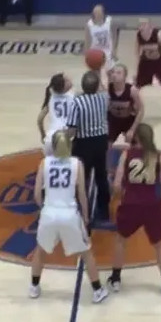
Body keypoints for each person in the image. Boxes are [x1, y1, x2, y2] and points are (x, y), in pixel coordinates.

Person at [28, 131, 110, 304]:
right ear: (70, 145)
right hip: (69, 214)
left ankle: (34, 287)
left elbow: (36, 194)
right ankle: (97, 290)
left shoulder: (44, 163)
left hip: (49, 213)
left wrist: (43, 208)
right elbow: (82, 195)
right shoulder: (76, 164)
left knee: (40, 251)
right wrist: (86, 218)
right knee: (86, 253)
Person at [108, 123, 161, 297]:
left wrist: (124, 194)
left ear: (136, 138)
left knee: (121, 241)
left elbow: (116, 185)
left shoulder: (126, 154)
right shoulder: (158, 156)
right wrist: (159, 202)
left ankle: (115, 279)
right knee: (159, 244)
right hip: (151, 205)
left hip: (130, 203)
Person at [65, 72, 112, 223]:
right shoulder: (104, 98)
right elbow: (104, 90)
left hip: (84, 143)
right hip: (101, 141)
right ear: (97, 86)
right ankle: (104, 210)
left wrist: (62, 138)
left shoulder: (77, 102)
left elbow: (72, 129)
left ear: (83, 86)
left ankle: (79, 210)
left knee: (81, 177)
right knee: (101, 176)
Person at [38, 73, 75, 157]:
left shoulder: (51, 97)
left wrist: (43, 134)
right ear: (64, 86)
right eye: (67, 79)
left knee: (49, 167)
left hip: (50, 137)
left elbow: (40, 119)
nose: (69, 79)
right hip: (65, 138)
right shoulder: (74, 97)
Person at [107, 65, 144, 145]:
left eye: (118, 73)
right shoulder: (107, 88)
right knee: (105, 147)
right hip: (113, 121)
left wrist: (132, 130)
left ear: (125, 76)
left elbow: (141, 110)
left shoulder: (132, 90)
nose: (114, 75)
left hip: (128, 120)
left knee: (138, 146)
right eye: (113, 72)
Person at [84, 5, 115, 69]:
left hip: (107, 51)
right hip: (95, 52)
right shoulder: (89, 25)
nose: (97, 15)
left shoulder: (109, 21)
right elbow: (87, 41)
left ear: (103, 13)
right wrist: (86, 54)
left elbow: (113, 37)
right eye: (95, 13)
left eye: (99, 13)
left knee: (110, 71)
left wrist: (114, 51)